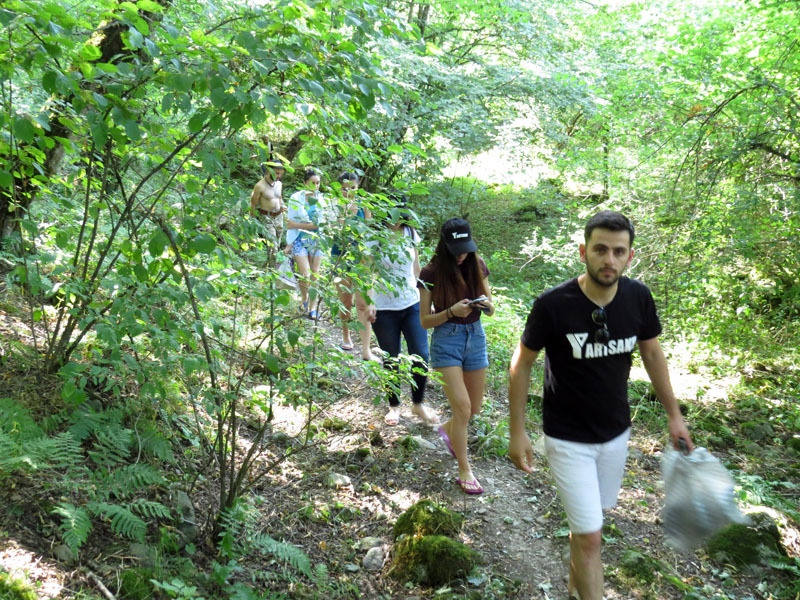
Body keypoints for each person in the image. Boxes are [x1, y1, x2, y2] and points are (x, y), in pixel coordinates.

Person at [507, 210, 693, 600]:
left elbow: (653, 354)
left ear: (629, 256)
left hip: (616, 433)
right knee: (592, 538)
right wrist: (517, 431)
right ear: (583, 252)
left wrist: (675, 416)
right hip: (567, 437)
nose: (609, 260)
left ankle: (575, 591)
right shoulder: (553, 305)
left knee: (588, 527)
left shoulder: (638, 297)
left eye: (618, 251)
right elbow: (521, 363)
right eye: (601, 249)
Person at [419, 218, 494, 495]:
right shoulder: (430, 272)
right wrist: (451, 312)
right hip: (446, 341)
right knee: (462, 408)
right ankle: (465, 470)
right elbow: (425, 321)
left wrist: (485, 305)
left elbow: (491, 304)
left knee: (474, 409)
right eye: (457, 249)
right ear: (446, 245)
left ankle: (448, 430)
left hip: (476, 337)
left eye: (466, 248)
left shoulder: (478, 264)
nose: (462, 254)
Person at [362, 201, 437, 426]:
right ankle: (393, 406)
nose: (397, 219)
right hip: (384, 307)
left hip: (412, 303)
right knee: (391, 358)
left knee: (421, 356)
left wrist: (427, 298)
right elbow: (366, 271)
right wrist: (369, 301)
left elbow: (416, 267)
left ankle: (418, 404)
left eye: (401, 214)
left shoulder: (410, 232)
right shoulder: (374, 237)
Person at [331, 172, 378, 361]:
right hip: (340, 256)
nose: (349, 191)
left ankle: (366, 349)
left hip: (362, 257)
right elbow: (334, 231)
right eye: (344, 188)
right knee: (345, 300)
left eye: (353, 188)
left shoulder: (364, 204)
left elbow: (369, 229)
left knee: (364, 303)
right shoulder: (334, 204)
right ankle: (345, 334)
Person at [286, 168, 329, 319]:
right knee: (304, 274)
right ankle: (304, 298)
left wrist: (296, 225)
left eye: (318, 183)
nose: (316, 186)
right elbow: (289, 222)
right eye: (313, 183)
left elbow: (319, 225)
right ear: (305, 183)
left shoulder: (321, 200)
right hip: (299, 239)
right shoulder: (295, 198)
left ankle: (313, 307)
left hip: (317, 240)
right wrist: (289, 243)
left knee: (314, 274)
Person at [250, 159, 286, 268]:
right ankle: (273, 272)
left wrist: (283, 205)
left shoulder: (279, 184)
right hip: (266, 218)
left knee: (277, 245)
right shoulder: (259, 186)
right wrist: (252, 222)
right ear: (269, 171)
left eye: (280, 173)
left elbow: (280, 198)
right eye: (276, 172)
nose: (278, 175)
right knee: (273, 247)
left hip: (279, 217)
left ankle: (266, 268)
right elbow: (253, 204)